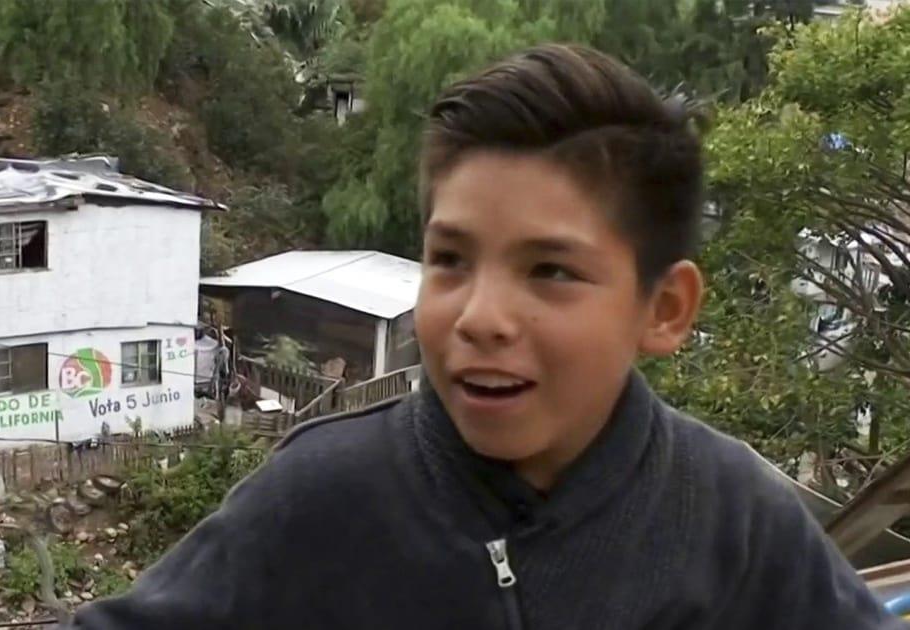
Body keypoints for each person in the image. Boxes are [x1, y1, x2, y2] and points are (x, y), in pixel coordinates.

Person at [67, 44, 904, 629]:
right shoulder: (320, 500)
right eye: (451, 260)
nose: (480, 317)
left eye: (550, 271)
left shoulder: (738, 523)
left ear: (665, 308)